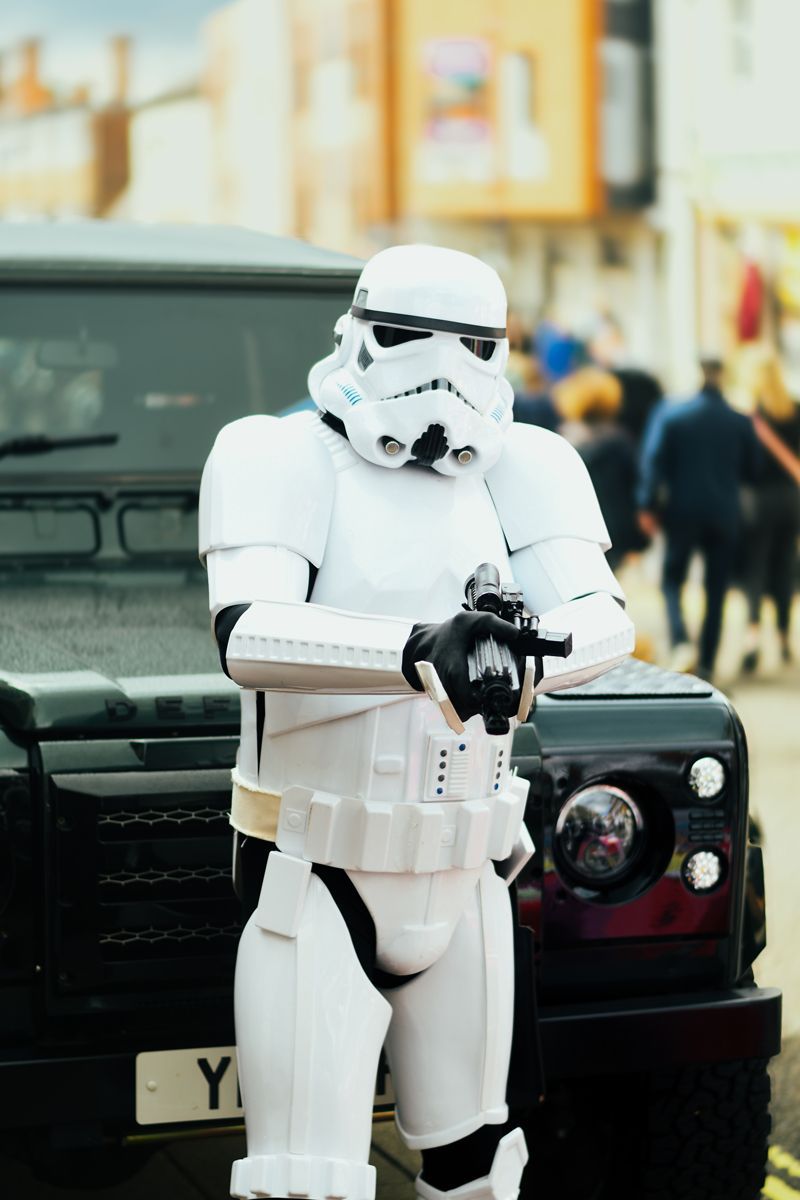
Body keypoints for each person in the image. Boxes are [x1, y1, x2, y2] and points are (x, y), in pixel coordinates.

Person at [199, 244, 634, 1200]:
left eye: (471, 346)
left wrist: (524, 651)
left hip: (467, 871)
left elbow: (604, 616)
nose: (443, 373)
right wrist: (419, 650)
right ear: (358, 334)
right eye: (407, 337)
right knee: (304, 1178)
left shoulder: (526, 466)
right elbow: (248, 633)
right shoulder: (277, 454)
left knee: (481, 1168)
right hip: (318, 873)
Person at [637, 357, 762, 679]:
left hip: (682, 510)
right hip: (724, 512)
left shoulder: (673, 416)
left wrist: (647, 504)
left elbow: (653, 461)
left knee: (672, 579)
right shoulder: (739, 421)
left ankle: (681, 641)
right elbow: (754, 470)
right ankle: (707, 661)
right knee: (717, 589)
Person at [741, 351, 800, 671]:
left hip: (759, 501)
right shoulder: (795, 409)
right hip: (791, 499)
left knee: (756, 567)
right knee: (784, 566)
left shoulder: (751, 415)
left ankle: (752, 638)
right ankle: (783, 638)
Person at [554, 367, 645, 571]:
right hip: (617, 526)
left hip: (578, 525)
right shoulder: (620, 439)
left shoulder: (566, 440)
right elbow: (635, 482)